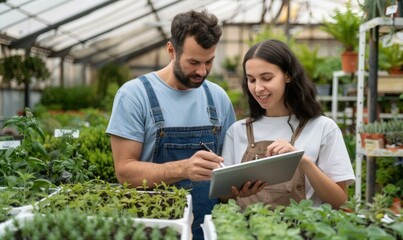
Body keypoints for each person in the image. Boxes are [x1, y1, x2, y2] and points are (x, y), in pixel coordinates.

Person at [106, 10, 236, 240]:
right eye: (193, 62)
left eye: (209, 62)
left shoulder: (218, 98)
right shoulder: (134, 95)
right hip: (152, 228)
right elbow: (125, 172)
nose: (202, 71)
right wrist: (184, 169)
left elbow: (230, 169)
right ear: (171, 51)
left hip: (207, 230)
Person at [221, 39, 355, 209]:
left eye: (266, 78)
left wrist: (302, 161)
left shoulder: (323, 128)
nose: (258, 88)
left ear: (288, 75)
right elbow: (223, 199)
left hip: (302, 232)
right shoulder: (237, 131)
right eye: (252, 80)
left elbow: (341, 202)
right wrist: (236, 193)